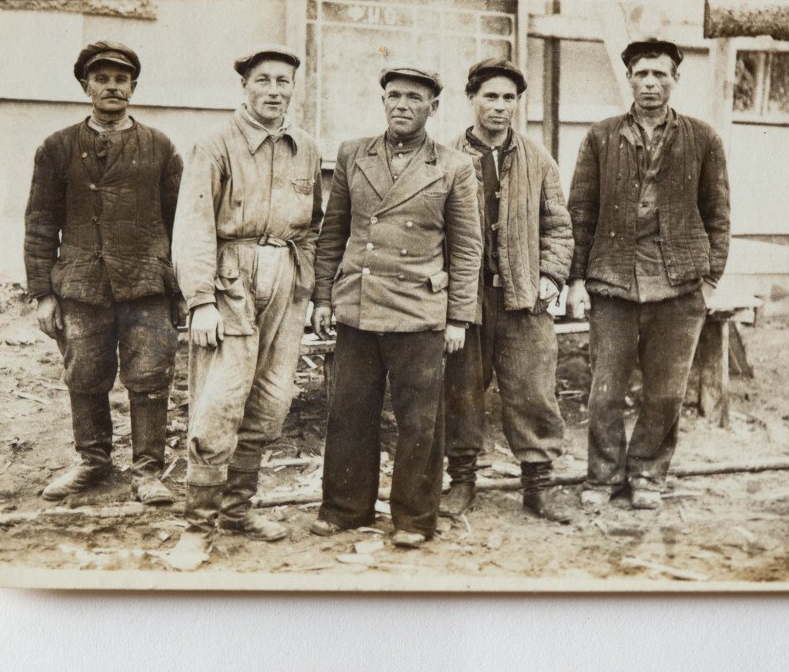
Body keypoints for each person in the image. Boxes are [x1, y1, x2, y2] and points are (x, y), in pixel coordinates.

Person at [309, 65, 482, 548]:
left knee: (420, 422)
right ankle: (344, 509)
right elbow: (333, 232)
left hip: (418, 309)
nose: (402, 105)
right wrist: (322, 297)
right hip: (358, 306)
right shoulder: (352, 153)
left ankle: (414, 518)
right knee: (349, 412)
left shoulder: (453, 166)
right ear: (383, 101)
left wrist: (458, 317)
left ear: (433, 107)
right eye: (394, 96)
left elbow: (467, 248)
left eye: (414, 98)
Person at [566, 39, 730, 511]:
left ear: (675, 80)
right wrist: (576, 280)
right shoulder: (601, 137)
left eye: (660, 74)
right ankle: (602, 476)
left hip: (680, 285)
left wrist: (710, 280)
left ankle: (647, 475)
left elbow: (718, 213)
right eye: (642, 74)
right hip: (613, 282)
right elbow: (581, 211)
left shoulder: (703, 138)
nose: (651, 83)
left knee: (665, 394)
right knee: (604, 392)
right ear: (629, 79)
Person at [172, 45, 324, 541]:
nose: (274, 91)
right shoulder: (214, 145)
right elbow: (193, 226)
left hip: (287, 280)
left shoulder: (307, 148)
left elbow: (313, 227)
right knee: (220, 401)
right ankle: (198, 528)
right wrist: (201, 301)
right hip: (229, 281)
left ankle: (236, 512)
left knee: (271, 400)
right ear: (245, 86)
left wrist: (309, 288)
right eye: (263, 80)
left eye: (283, 82)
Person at [24, 41, 182, 505]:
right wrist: (43, 294)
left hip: (147, 284)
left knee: (150, 377)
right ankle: (93, 461)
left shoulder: (159, 147)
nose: (112, 87)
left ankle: (148, 471)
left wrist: (182, 291)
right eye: (102, 79)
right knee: (85, 374)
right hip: (81, 285)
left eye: (121, 79)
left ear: (133, 87)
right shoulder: (56, 148)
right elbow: (40, 223)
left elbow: (181, 224)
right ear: (85, 86)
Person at [439, 58, 574, 523]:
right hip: (466, 300)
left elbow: (559, 226)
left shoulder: (538, 159)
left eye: (508, 98)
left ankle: (538, 486)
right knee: (460, 390)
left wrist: (550, 277)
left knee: (533, 390)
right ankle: (461, 481)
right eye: (490, 96)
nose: (499, 106)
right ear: (471, 98)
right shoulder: (445, 157)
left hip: (523, 298)